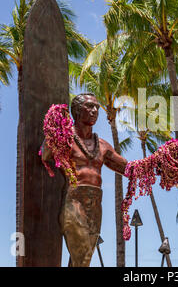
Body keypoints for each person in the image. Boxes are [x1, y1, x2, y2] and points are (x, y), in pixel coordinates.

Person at [41, 93, 128, 267]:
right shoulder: (65, 139)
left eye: (96, 106)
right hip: (74, 200)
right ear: (77, 111)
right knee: (82, 254)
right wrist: (55, 130)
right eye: (90, 106)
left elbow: (127, 168)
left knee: (82, 259)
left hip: (96, 204)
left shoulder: (102, 145)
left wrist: (157, 164)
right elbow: (45, 153)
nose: (95, 110)